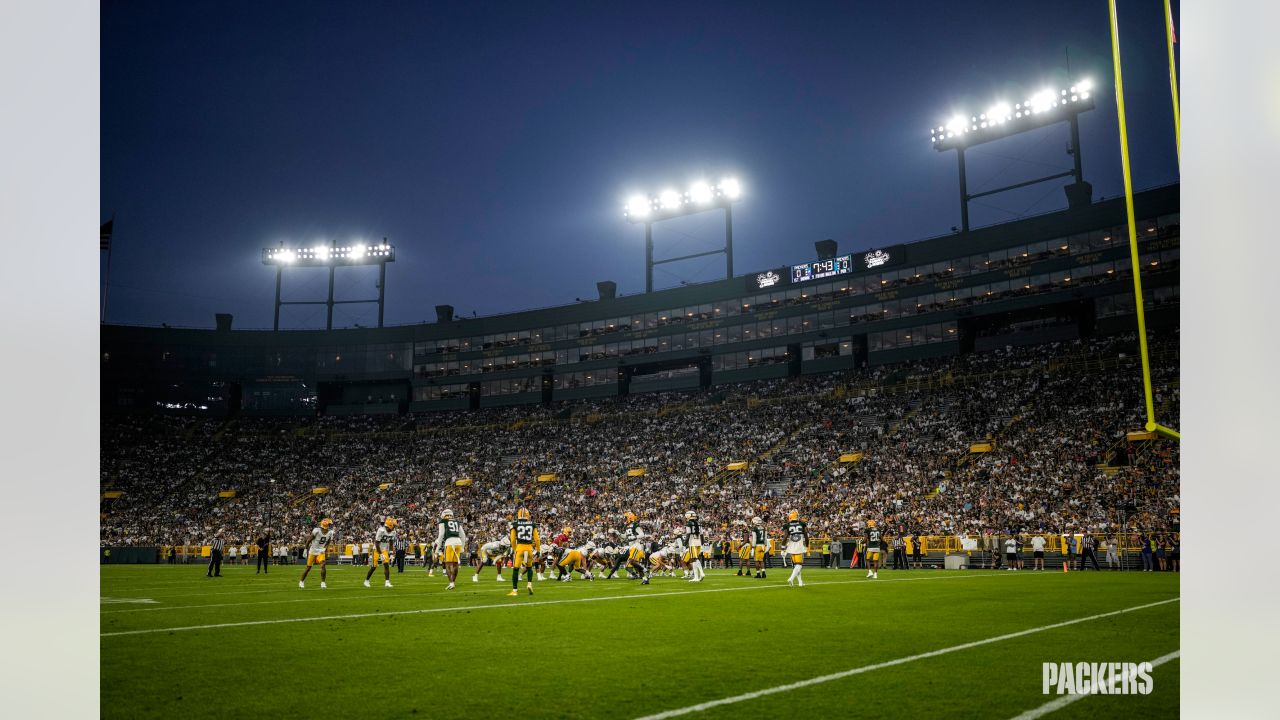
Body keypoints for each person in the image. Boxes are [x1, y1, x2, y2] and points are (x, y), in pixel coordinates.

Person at [508, 508, 540, 596]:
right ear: (527, 515)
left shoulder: (515, 524)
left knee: (516, 569)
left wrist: (515, 549)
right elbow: (537, 539)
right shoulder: (532, 524)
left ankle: (515, 590)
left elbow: (512, 539)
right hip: (529, 548)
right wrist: (538, 550)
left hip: (520, 548)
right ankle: (529, 584)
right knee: (529, 567)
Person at [433, 509, 467, 590]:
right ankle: (453, 582)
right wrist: (462, 546)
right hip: (458, 542)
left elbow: (441, 535)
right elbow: (463, 535)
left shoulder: (443, 522)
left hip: (449, 543)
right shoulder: (456, 521)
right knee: (455, 564)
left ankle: (451, 583)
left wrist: (437, 549)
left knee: (448, 564)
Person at [299, 518, 334, 589]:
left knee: (323, 565)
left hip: (321, 551)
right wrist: (305, 550)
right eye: (329, 524)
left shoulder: (330, 532)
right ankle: (301, 581)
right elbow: (308, 540)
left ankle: (323, 582)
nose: (330, 526)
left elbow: (328, 542)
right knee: (308, 568)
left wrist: (325, 548)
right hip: (312, 551)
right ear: (326, 524)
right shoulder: (316, 531)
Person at [364, 517, 397, 588]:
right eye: (393, 525)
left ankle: (387, 582)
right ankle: (366, 580)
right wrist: (380, 554)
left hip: (384, 549)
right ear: (390, 525)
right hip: (376, 549)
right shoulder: (381, 530)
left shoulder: (393, 532)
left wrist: (391, 553)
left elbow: (391, 543)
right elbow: (377, 543)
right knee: (374, 567)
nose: (394, 527)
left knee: (386, 565)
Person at [784, 510, 808, 587]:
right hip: (799, 546)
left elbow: (785, 537)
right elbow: (806, 536)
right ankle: (791, 578)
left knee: (796, 566)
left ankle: (800, 582)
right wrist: (807, 545)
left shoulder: (787, 525)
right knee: (799, 565)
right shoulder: (802, 523)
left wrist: (782, 547)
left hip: (791, 547)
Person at [685, 510, 706, 582]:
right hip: (699, 542)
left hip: (692, 543)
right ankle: (696, 577)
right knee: (693, 560)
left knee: (695, 558)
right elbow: (702, 535)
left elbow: (688, 535)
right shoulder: (699, 524)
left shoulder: (688, 524)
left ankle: (702, 573)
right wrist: (702, 543)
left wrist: (684, 544)